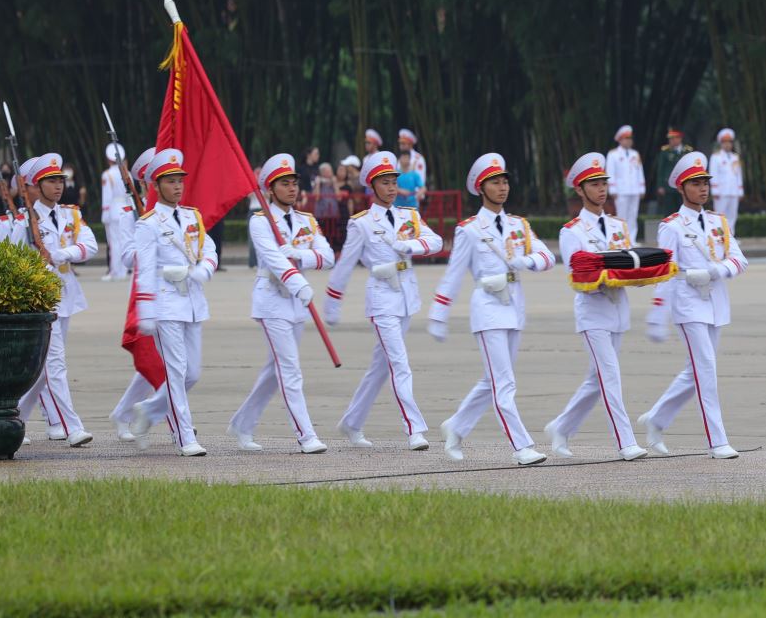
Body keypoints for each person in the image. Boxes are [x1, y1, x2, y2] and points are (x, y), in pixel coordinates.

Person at [428, 152, 555, 466]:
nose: (502, 188)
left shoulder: (518, 225)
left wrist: (528, 261)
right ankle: (521, 446)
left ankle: (456, 427)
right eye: (494, 182)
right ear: (481, 188)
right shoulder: (470, 229)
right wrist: (438, 313)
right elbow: (454, 275)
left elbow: (548, 257)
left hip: (513, 307)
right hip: (487, 309)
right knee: (505, 383)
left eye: (504, 181)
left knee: (494, 380)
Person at [324, 151, 443, 450]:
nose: (391, 188)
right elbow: (345, 264)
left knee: (380, 367)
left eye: (393, 182)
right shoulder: (361, 223)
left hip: (406, 297)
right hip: (381, 300)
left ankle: (352, 423)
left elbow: (436, 241)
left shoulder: (409, 216)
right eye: (385, 182)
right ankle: (414, 428)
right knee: (399, 364)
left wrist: (410, 244)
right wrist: (333, 302)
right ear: (372, 186)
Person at [639, 151, 749, 460]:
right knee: (706, 370)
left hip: (715, 300)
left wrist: (717, 270)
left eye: (705, 183)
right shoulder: (672, 226)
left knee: (696, 371)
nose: (703, 189)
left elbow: (740, 259)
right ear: (681, 188)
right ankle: (717, 440)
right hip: (687, 304)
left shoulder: (718, 222)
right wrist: (658, 314)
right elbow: (665, 273)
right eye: (695, 183)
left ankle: (657, 418)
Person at [228, 153, 336, 454]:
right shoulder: (261, 222)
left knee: (274, 371)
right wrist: (298, 281)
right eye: (284, 184)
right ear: (270, 190)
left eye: (293, 183)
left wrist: (301, 255)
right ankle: (306, 435)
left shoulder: (306, 221)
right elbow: (274, 260)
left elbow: (327, 257)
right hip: (272, 300)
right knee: (289, 369)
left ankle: (242, 423)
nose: (291, 189)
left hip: (297, 303)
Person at [545, 153, 649, 461]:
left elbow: (629, 262)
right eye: (594, 184)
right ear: (579, 189)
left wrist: (639, 276)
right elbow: (576, 276)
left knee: (597, 379)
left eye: (604, 182)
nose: (601, 189)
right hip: (593, 312)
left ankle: (561, 427)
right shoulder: (572, 231)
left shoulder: (619, 226)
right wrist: (606, 278)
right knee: (610, 376)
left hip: (619, 310)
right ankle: (625, 441)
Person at [129, 149, 219, 457]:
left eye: (180, 180)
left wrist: (204, 269)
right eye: (170, 181)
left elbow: (209, 249)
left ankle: (148, 411)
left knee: (192, 372)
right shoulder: (148, 224)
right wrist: (146, 311)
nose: (178, 186)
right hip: (166, 304)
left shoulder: (192, 216)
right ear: (157, 185)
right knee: (177, 371)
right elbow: (143, 270)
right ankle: (185, 437)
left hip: (192, 301)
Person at [7, 153, 98, 448]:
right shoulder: (23, 221)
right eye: (51, 181)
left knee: (44, 369)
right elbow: (12, 257)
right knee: (54, 364)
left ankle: (12, 419)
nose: (58, 186)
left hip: (65, 295)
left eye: (60, 180)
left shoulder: (70, 214)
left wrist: (63, 254)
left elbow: (90, 245)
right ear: (35, 185)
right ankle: (72, 426)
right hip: (39, 297)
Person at [108, 147, 158, 440]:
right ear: (143, 182)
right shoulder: (130, 212)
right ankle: (173, 414)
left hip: (173, 289)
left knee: (167, 359)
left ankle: (125, 412)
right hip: (145, 288)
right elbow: (127, 256)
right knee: (155, 357)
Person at [605, 125, 645, 243]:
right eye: (626, 138)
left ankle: (632, 239)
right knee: (621, 217)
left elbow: (639, 171)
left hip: (634, 189)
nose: (629, 141)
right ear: (620, 140)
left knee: (633, 216)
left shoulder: (635, 154)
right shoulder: (613, 154)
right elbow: (610, 172)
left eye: (630, 139)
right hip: (621, 190)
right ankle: (622, 241)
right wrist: (612, 189)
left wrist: (642, 188)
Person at [101, 144, 132, 280]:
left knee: (114, 242)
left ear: (108, 160)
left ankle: (115, 271)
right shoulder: (127, 172)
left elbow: (107, 196)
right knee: (125, 241)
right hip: (126, 208)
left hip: (113, 209)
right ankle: (124, 270)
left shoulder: (107, 175)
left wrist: (105, 214)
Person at [709, 128, 745, 231]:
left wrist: (740, 190)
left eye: (729, 142)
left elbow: (738, 175)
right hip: (721, 192)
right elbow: (713, 174)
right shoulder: (715, 157)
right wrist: (714, 190)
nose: (727, 145)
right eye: (725, 142)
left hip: (733, 191)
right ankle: (720, 239)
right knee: (720, 216)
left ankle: (731, 238)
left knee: (732, 216)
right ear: (721, 143)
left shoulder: (735, 157)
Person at [653, 127, 691, 216]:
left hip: (683, 184)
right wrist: (660, 185)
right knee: (669, 210)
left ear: (679, 138)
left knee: (684, 208)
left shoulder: (687, 150)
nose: (671, 141)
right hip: (669, 185)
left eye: (674, 138)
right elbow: (661, 169)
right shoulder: (665, 151)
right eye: (670, 139)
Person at [396, 128, 428, 194]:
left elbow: (420, 178)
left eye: (403, 143)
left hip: (413, 195)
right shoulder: (399, 158)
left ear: (410, 144)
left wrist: (414, 194)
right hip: (399, 195)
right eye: (400, 143)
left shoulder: (418, 158)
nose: (401, 146)